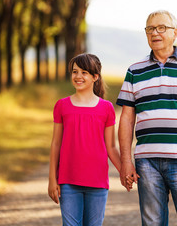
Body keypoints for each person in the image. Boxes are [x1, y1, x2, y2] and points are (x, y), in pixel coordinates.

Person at [116, 10, 177, 226]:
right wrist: (126, 160)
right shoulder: (134, 71)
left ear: (175, 33)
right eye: (150, 29)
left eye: (161, 28)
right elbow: (126, 118)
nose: (155, 33)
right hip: (147, 164)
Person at [48, 53, 123, 226]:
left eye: (84, 72)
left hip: (97, 182)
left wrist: (124, 171)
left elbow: (111, 147)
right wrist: (52, 179)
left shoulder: (106, 108)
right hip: (68, 182)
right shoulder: (62, 105)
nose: (78, 76)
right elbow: (56, 144)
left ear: (95, 77)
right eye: (75, 72)